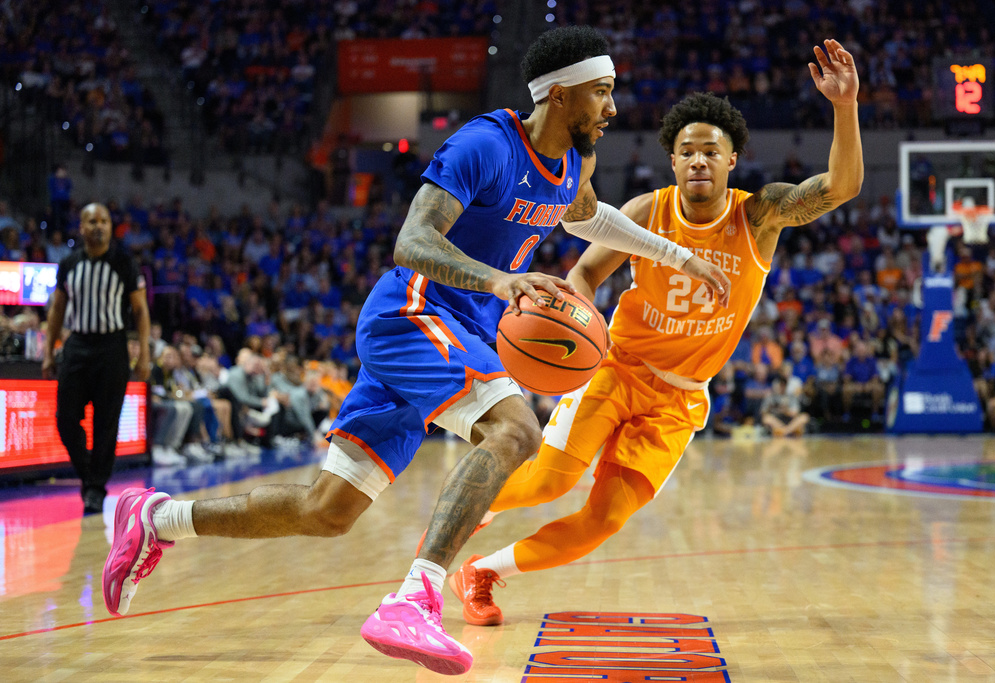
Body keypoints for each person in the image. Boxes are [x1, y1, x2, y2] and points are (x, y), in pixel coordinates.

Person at [101, 25, 731, 677]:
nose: (613, 108)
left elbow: (588, 217)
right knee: (516, 431)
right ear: (562, 94)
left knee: (328, 509)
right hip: (414, 314)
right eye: (602, 92)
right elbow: (413, 241)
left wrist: (678, 255)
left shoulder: (577, 162)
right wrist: (498, 280)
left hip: (459, 330)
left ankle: (158, 517)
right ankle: (416, 597)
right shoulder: (487, 145)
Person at [446, 39, 862, 628]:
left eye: (711, 152)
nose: (698, 161)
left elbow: (841, 187)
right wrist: (577, 322)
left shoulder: (759, 216)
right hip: (617, 368)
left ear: (732, 161)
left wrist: (844, 107)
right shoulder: (647, 211)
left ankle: (482, 572)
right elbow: (585, 273)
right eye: (687, 151)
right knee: (546, 483)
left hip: (680, 399)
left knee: (604, 520)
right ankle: (463, 511)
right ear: (672, 161)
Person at [42, 203, 151, 514]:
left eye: (103, 220)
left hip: (112, 347)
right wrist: (48, 353)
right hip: (77, 344)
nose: (98, 226)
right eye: (92, 221)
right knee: (65, 419)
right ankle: (89, 474)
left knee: (106, 423)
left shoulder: (124, 263)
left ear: (110, 227)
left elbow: (140, 311)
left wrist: (144, 354)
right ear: (82, 227)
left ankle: (95, 488)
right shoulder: (69, 264)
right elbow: (57, 310)